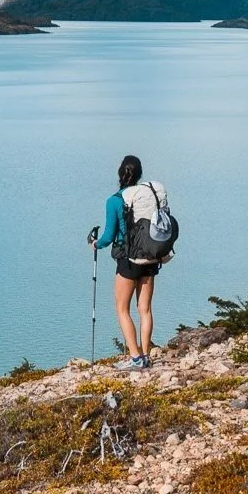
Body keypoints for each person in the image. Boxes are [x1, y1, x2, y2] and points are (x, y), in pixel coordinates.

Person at [90, 154, 159, 370]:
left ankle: (135, 358)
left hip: (128, 260)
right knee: (145, 309)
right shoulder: (145, 197)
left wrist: (95, 244)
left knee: (122, 309)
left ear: (120, 173)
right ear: (139, 175)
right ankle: (145, 356)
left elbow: (109, 235)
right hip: (149, 256)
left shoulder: (115, 200)